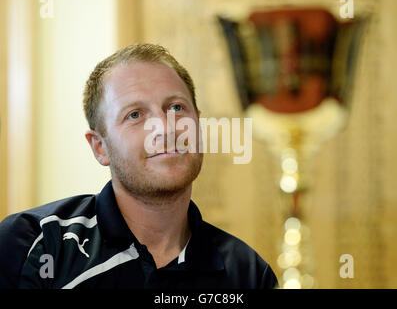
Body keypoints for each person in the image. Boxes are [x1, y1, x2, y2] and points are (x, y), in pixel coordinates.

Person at [0, 43, 278, 289]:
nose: (166, 128)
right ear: (100, 147)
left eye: (177, 108)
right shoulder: (33, 243)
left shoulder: (249, 273)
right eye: (135, 114)